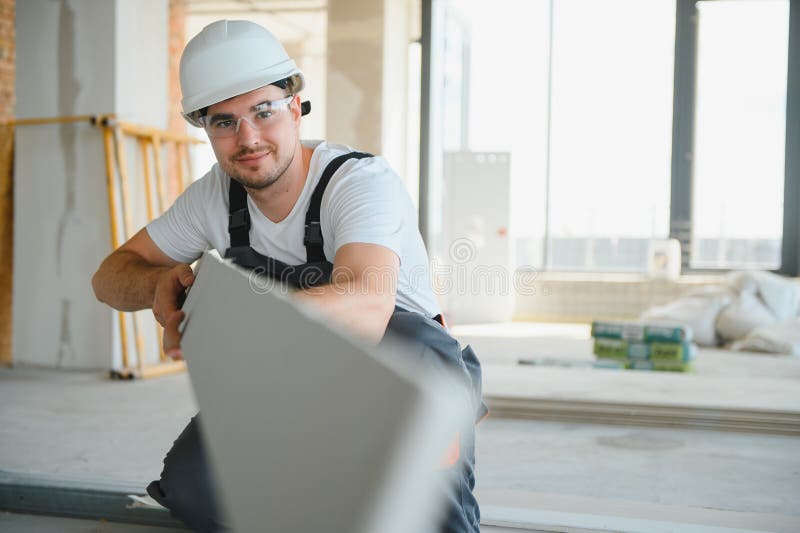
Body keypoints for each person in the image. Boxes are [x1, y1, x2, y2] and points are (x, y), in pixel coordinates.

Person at [92, 19, 483, 533]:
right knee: (196, 486)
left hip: (402, 372)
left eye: (263, 111)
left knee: (413, 500)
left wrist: (230, 323)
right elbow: (109, 275)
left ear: (295, 108)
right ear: (205, 129)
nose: (248, 138)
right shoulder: (214, 196)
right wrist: (156, 285)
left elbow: (366, 307)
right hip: (289, 366)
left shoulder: (359, 182)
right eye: (224, 121)